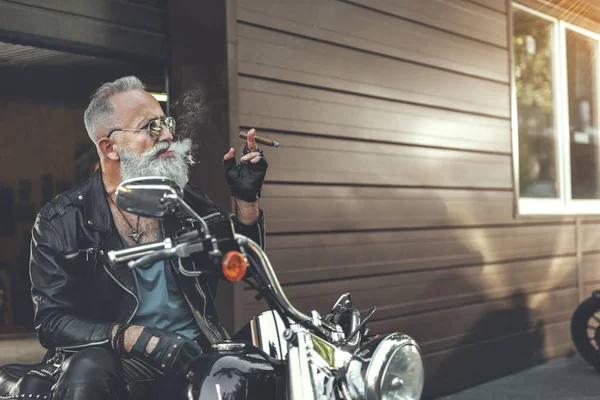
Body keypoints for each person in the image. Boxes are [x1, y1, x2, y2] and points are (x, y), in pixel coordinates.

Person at [27, 76, 268, 399]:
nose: (167, 135)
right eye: (150, 127)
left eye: (166, 123)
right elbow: (51, 322)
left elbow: (246, 266)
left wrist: (246, 200)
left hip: (191, 353)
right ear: (109, 147)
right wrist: (133, 337)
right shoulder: (61, 221)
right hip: (117, 361)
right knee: (89, 369)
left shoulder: (186, 202)